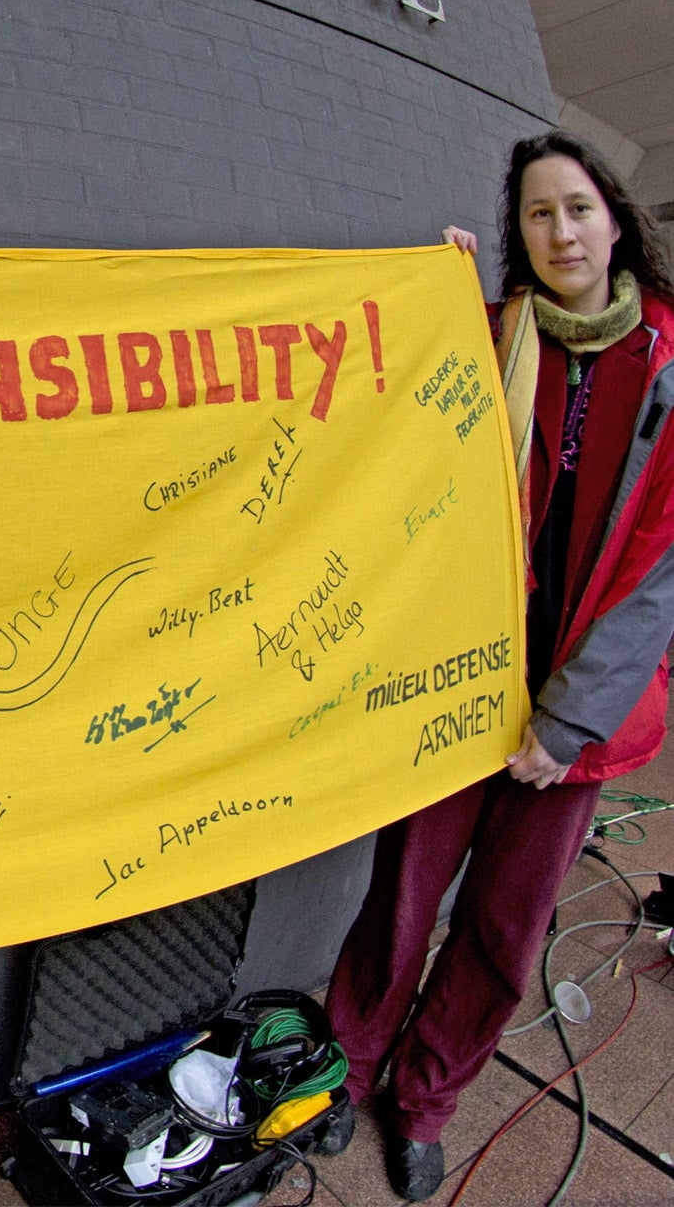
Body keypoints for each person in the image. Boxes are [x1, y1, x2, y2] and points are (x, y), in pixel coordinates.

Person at [320, 131, 674, 1200]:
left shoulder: (667, 357)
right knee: (404, 895)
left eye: (575, 208)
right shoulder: (495, 333)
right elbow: (409, 425)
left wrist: (562, 726)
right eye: (536, 214)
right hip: (465, 685)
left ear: (614, 218)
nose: (560, 231)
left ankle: (424, 1101)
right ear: (517, 235)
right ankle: (351, 1068)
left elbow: (661, 565)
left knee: (506, 927)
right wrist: (435, 294)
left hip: (585, 714)